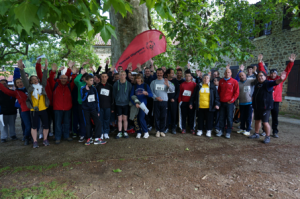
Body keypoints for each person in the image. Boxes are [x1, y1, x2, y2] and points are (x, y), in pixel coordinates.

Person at [258, 53, 296, 138]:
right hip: (267, 101)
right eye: (271, 73)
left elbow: (287, 71)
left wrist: (291, 63)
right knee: (265, 118)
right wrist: (260, 62)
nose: (273, 74)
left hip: (276, 101)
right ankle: (264, 131)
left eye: (274, 73)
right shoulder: (267, 80)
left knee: (275, 117)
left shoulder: (280, 79)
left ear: (276, 74)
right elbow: (262, 72)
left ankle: (275, 131)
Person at [249, 71, 287, 144]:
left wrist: (281, 79)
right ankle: (256, 134)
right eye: (258, 76)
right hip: (257, 107)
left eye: (261, 76)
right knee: (257, 121)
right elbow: (254, 95)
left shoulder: (268, 83)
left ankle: (267, 136)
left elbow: (275, 82)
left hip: (265, 107)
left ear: (265, 76)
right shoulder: (257, 85)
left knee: (265, 122)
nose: (260, 77)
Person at [19, 59, 50, 148]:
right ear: (30, 82)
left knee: (46, 126)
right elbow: (24, 79)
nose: (35, 79)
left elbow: (44, 77)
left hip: (43, 109)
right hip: (34, 110)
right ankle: (35, 141)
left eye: (36, 78)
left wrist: (46, 67)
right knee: (34, 126)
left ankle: (45, 139)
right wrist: (21, 69)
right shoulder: (29, 88)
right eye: (32, 79)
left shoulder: (42, 86)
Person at [49, 64, 77, 144]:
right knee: (57, 124)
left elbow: (74, 80)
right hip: (57, 108)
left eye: (65, 78)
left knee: (66, 123)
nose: (64, 80)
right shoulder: (55, 85)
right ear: (59, 79)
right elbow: (51, 79)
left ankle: (66, 136)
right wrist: (53, 71)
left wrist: (73, 72)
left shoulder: (69, 85)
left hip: (67, 108)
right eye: (62, 78)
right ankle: (58, 137)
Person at [0, 77, 31, 145]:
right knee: (28, 126)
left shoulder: (29, 89)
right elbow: (6, 91)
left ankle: (31, 137)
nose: (20, 83)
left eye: (21, 82)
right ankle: (26, 137)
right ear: (16, 85)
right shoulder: (16, 92)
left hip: (33, 110)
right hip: (24, 111)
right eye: (18, 82)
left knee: (34, 126)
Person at [81, 74, 106, 145]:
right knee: (88, 123)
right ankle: (89, 138)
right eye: (91, 80)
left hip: (93, 109)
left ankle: (97, 138)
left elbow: (96, 100)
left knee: (98, 122)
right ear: (86, 81)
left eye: (92, 80)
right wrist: (87, 92)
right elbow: (82, 99)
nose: (92, 82)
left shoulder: (94, 89)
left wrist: (97, 110)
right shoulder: (82, 89)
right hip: (86, 109)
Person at [150, 68, 175, 138]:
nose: (159, 74)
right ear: (156, 73)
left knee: (163, 116)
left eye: (160, 73)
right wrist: (156, 97)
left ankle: (162, 130)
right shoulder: (153, 82)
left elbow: (173, 90)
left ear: (163, 73)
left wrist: (168, 85)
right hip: (156, 101)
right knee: (157, 116)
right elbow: (151, 92)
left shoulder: (166, 81)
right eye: (158, 73)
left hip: (164, 102)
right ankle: (157, 130)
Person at [217, 65, 239, 139]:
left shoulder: (234, 82)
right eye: (226, 72)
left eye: (228, 72)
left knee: (229, 118)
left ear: (231, 73)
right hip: (222, 103)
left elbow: (236, 93)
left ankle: (228, 132)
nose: (227, 73)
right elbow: (219, 91)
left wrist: (232, 100)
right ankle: (221, 130)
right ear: (224, 73)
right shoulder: (221, 81)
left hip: (230, 103)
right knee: (221, 117)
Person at [236, 64, 257, 136]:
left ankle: (248, 130)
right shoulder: (238, 83)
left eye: (243, 75)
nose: (242, 77)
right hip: (241, 103)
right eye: (240, 76)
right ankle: (242, 129)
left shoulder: (250, 80)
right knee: (242, 116)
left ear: (246, 75)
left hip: (249, 102)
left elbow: (258, 79)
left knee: (248, 117)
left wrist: (255, 72)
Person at [130, 74, 153, 139]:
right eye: (136, 78)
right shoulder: (134, 86)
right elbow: (131, 96)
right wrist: (135, 104)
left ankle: (146, 132)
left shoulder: (145, 85)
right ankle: (138, 132)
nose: (138, 80)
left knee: (141, 118)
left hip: (143, 105)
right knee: (136, 119)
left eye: (139, 78)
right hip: (136, 105)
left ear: (141, 79)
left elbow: (151, 95)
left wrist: (147, 93)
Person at [113, 71, 132, 139]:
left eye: (123, 75)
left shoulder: (129, 84)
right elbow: (114, 94)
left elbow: (130, 94)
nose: (122, 76)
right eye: (121, 75)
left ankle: (125, 131)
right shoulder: (116, 84)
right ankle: (119, 132)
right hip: (118, 104)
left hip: (126, 104)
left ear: (126, 75)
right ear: (119, 76)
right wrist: (117, 100)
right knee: (119, 119)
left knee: (125, 118)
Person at [96, 72, 114, 139]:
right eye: (102, 76)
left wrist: (112, 107)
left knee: (107, 120)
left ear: (107, 77)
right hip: (100, 107)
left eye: (105, 76)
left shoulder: (110, 86)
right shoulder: (97, 86)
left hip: (108, 107)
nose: (104, 78)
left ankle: (106, 132)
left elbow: (112, 97)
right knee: (100, 120)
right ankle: (101, 133)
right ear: (101, 77)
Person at [74, 67, 89, 142]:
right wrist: (81, 74)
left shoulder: (90, 85)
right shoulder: (80, 84)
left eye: (87, 78)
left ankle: (89, 134)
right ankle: (82, 135)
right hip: (81, 104)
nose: (85, 79)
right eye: (84, 77)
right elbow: (76, 80)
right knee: (82, 120)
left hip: (89, 105)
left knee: (88, 120)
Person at [165, 69, 179, 134]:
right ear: (168, 74)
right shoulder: (164, 80)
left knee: (174, 115)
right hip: (166, 101)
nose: (173, 74)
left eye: (173, 73)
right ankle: (166, 127)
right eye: (172, 73)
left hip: (173, 101)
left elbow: (178, 91)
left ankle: (173, 128)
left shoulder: (175, 81)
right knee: (166, 114)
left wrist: (174, 98)